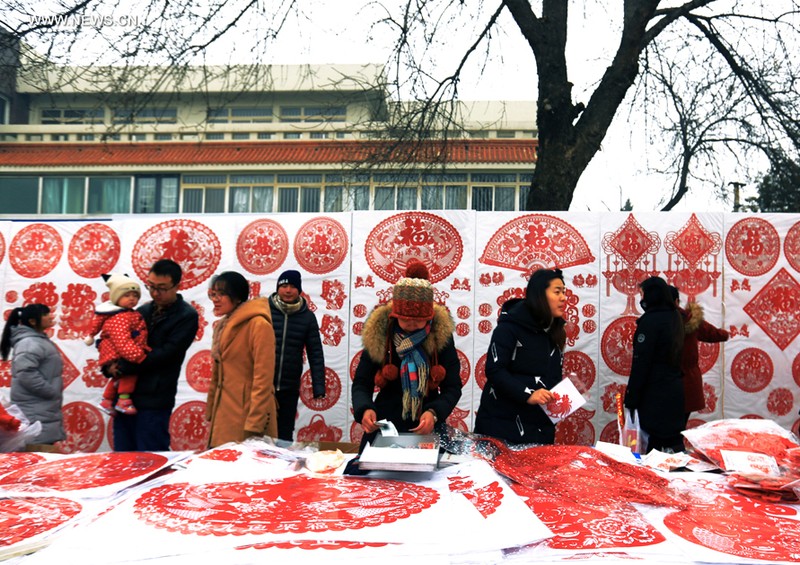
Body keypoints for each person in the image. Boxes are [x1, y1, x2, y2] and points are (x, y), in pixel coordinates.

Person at [352, 260, 461, 449]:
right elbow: (362, 382)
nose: (411, 325)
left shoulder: (439, 336)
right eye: (405, 320)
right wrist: (365, 409)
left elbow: (453, 387)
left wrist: (434, 413)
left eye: (418, 321)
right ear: (395, 315)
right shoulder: (380, 334)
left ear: (429, 318)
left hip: (426, 422)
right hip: (385, 422)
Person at [110, 259, 199, 452]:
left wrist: (125, 366)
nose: (155, 293)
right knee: (122, 459)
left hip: (155, 398)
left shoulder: (186, 316)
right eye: (151, 287)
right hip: (125, 397)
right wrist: (109, 364)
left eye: (162, 288)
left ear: (177, 286)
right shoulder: (142, 311)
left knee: (151, 459)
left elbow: (165, 354)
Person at [473, 268, 567, 445]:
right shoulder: (509, 327)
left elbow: (550, 377)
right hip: (502, 428)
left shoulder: (555, 331)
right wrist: (528, 394)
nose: (563, 297)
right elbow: (495, 370)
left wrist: (562, 400)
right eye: (557, 292)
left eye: (564, 292)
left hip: (539, 429)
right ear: (540, 294)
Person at [205, 271, 278, 448]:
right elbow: (217, 374)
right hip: (224, 411)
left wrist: (255, 422)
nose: (216, 299)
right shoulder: (222, 326)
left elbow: (263, 378)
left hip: (247, 413)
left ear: (237, 297)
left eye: (221, 294)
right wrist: (211, 408)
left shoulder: (258, 325)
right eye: (213, 294)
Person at [624, 276, 685, 453]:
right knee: (672, 443)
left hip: (655, 394)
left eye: (642, 294)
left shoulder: (650, 322)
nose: (641, 300)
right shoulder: (675, 317)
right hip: (674, 390)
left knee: (654, 448)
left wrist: (632, 397)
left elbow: (641, 363)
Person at [269, 269, 326, 441]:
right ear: (278, 288)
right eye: (284, 285)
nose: (288, 290)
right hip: (263, 386)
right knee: (261, 432)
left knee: (285, 434)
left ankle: (282, 467)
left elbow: (315, 353)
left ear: (299, 290)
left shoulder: (307, 317)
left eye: (293, 286)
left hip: (289, 387)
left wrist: (319, 388)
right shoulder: (264, 311)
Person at [0, 304, 64, 452]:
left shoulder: (37, 340)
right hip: (35, 410)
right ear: (33, 321)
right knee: (35, 456)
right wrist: (50, 392)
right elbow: (25, 373)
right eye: (45, 314)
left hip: (42, 409)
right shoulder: (29, 342)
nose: (50, 317)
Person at [86, 273, 149, 416]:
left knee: (117, 379)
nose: (132, 298)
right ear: (116, 297)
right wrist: (138, 356)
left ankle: (106, 400)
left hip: (118, 355)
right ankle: (123, 401)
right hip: (121, 355)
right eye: (127, 295)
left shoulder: (127, 314)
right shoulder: (120, 318)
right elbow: (122, 341)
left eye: (135, 295)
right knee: (129, 376)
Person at [669, 285, 729, 423]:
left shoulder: (657, 320)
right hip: (689, 380)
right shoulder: (690, 319)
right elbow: (716, 334)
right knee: (680, 425)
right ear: (677, 301)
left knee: (665, 427)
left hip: (665, 381)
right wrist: (726, 333)